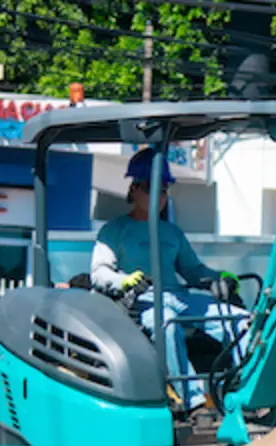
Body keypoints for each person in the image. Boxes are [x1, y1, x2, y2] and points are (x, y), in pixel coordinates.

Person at [90, 148, 249, 419]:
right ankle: (193, 401)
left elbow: (192, 270)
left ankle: (247, 392)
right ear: (135, 190)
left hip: (176, 296)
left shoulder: (172, 233)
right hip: (140, 303)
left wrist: (217, 278)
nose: (160, 196)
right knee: (166, 322)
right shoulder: (115, 231)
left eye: (164, 190)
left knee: (241, 320)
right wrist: (125, 281)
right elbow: (99, 272)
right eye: (153, 189)